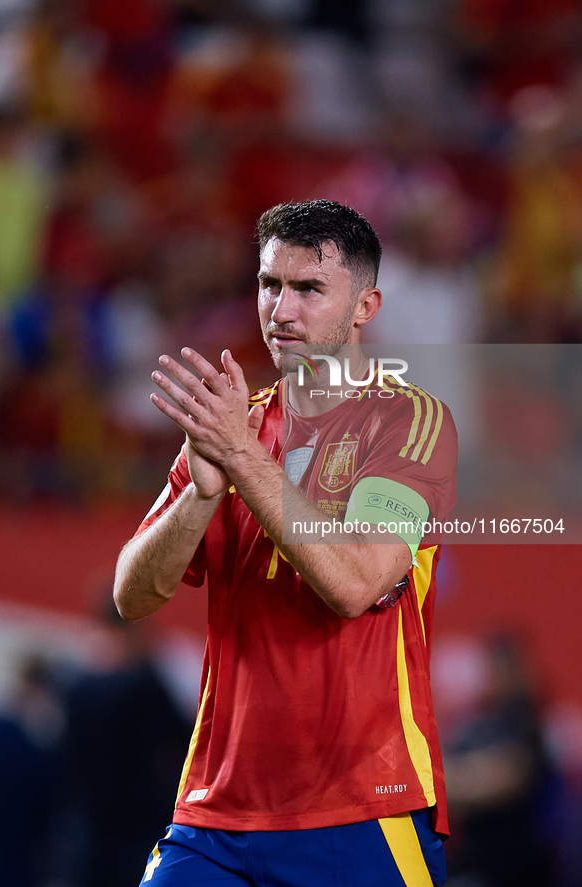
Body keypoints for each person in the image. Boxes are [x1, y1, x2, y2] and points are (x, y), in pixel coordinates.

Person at [114, 199, 457, 887]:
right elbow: (133, 594)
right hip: (214, 815)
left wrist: (241, 462)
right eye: (270, 284)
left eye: (308, 289)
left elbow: (355, 583)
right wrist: (199, 492)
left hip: (363, 809)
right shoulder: (230, 431)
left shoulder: (409, 421)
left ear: (364, 306)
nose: (281, 309)